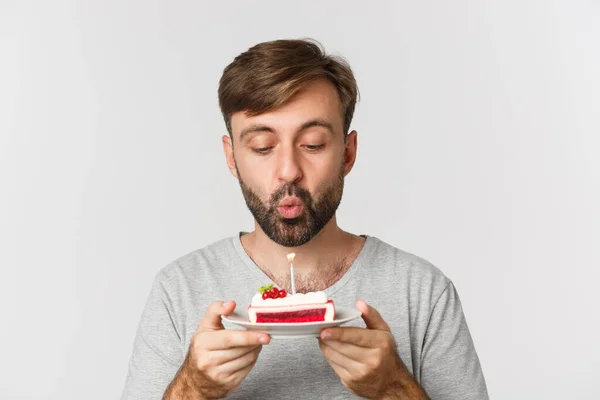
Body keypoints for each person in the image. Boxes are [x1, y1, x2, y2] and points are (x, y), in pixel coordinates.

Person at [121, 38, 489, 400]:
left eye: (312, 143)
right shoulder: (179, 290)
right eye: (262, 147)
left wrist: (394, 389)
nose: (288, 171)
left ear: (348, 153)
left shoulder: (422, 292)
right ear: (232, 158)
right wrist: (192, 390)